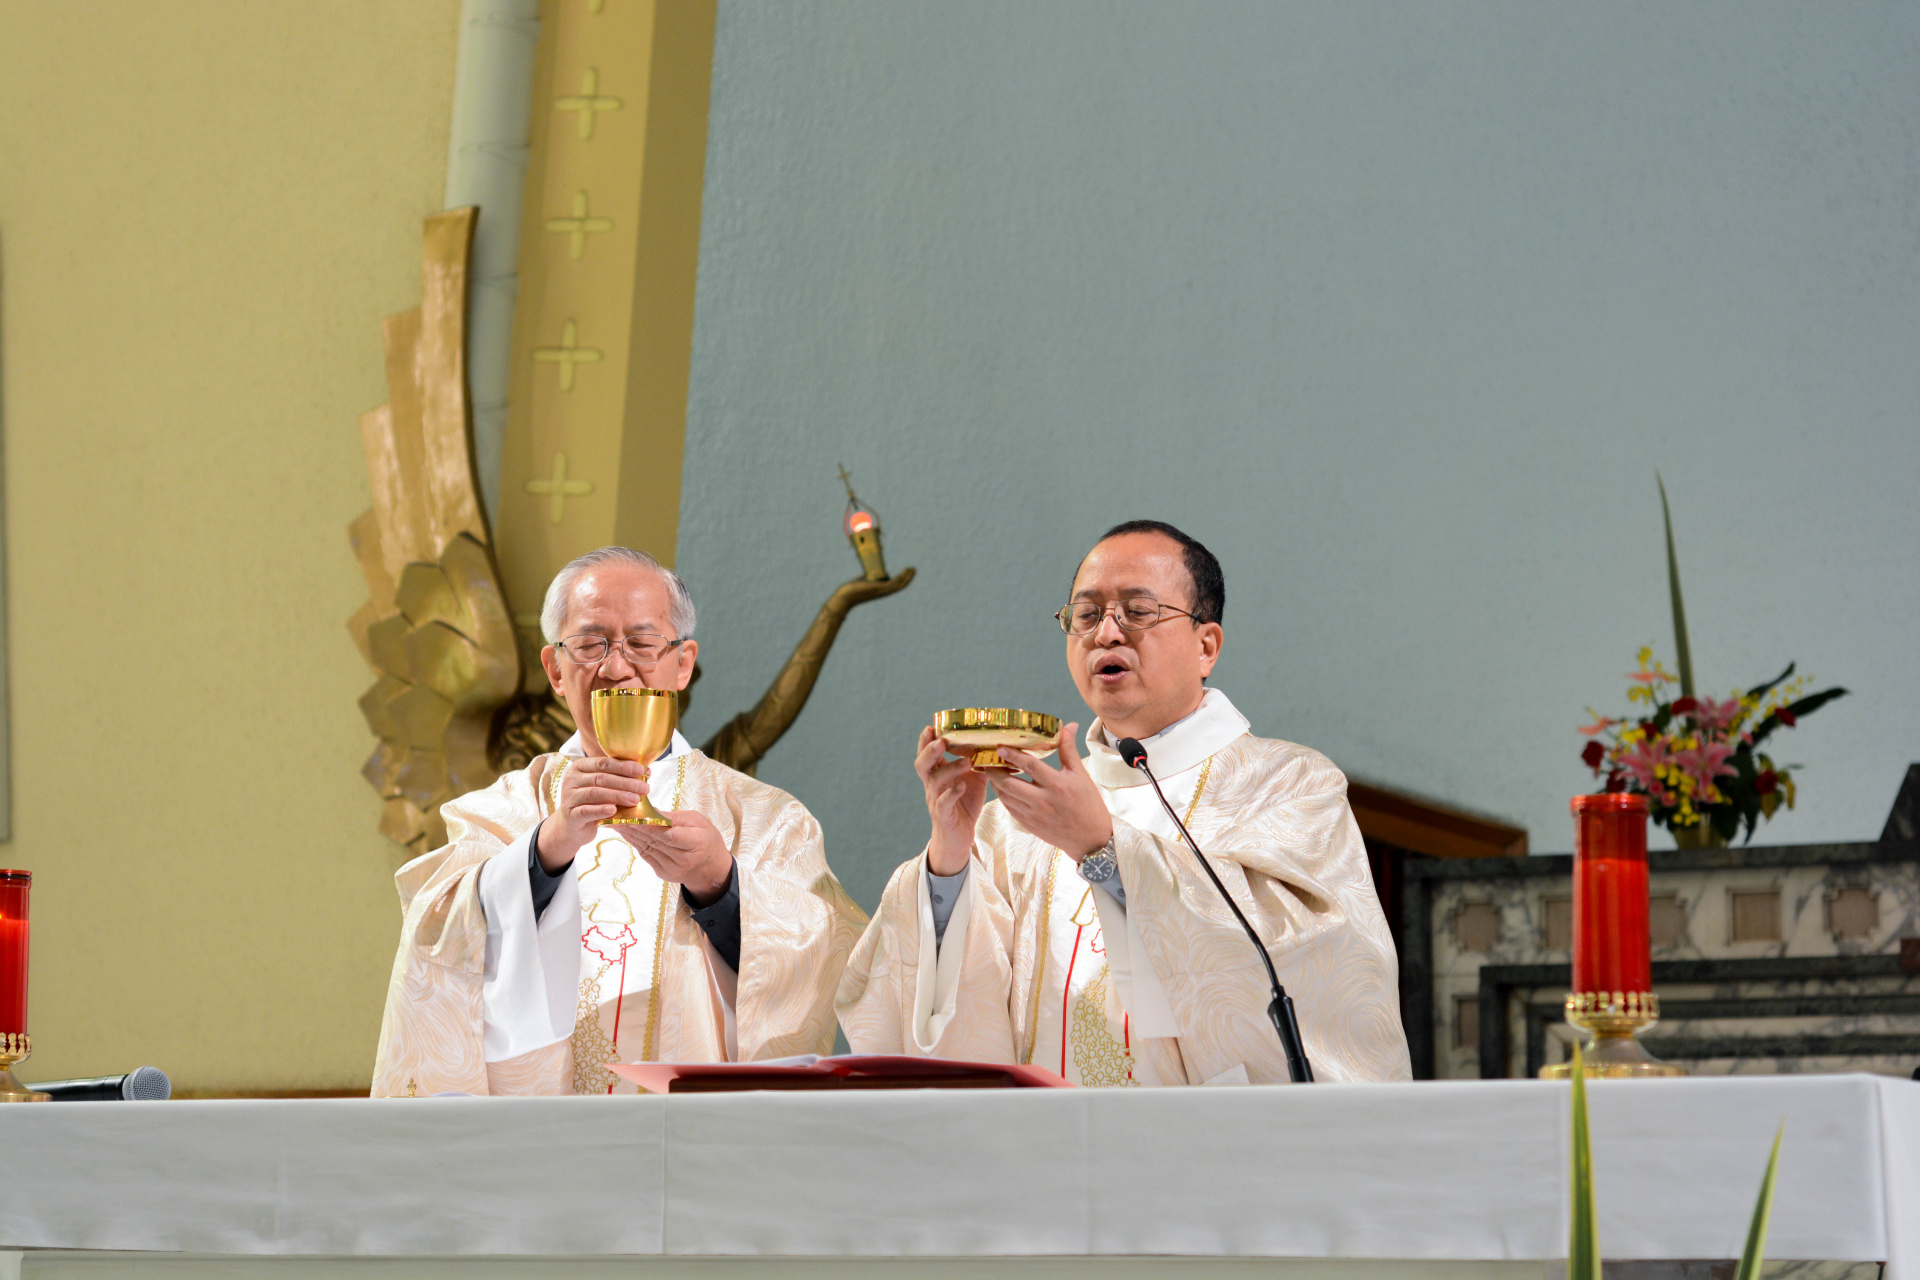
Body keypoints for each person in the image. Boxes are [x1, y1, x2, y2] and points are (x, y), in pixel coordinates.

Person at [838, 521, 1411, 1085]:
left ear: (1206, 646)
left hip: (1202, 1136)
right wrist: (950, 856)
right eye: (1086, 615)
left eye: (1137, 611)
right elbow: (941, 1019)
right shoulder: (1017, 820)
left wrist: (1104, 849)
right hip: (1050, 1138)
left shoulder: (1287, 786)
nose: (1106, 634)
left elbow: (1314, 974)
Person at [372, 547, 866, 1096]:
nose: (615, 667)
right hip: (541, 1129)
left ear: (682, 664)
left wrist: (719, 884)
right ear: (555, 670)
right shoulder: (499, 812)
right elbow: (434, 937)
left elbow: (826, 952)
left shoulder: (763, 818)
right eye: (591, 644)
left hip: (690, 1128)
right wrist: (545, 851)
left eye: (642, 643)